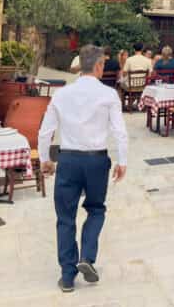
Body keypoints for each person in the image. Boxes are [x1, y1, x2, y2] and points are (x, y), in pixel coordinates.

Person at [38, 45, 128, 293]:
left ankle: (67, 275)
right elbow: (119, 130)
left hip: (68, 160)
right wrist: (123, 161)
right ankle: (87, 257)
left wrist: (45, 159)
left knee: (65, 217)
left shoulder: (62, 94)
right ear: (99, 66)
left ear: (80, 65)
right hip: (96, 160)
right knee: (96, 209)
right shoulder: (109, 95)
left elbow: (46, 130)